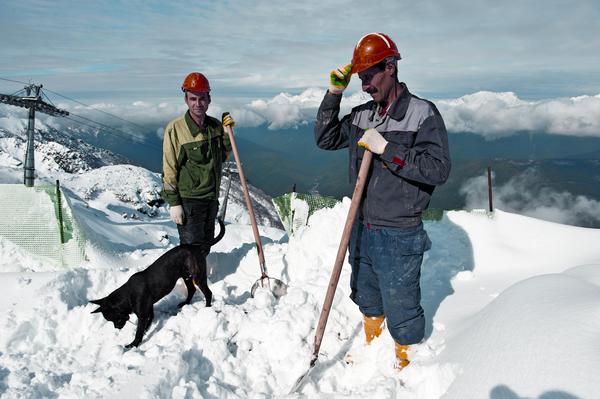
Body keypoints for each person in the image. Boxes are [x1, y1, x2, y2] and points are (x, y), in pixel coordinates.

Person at [314, 33, 451, 370]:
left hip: (399, 229)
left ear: (390, 67)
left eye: (369, 76)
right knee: (366, 292)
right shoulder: (362, 116)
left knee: (402, 302)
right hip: (362, 224)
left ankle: (406, 362)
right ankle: (373, 344)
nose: (364, 85)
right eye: (359, 78)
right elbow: (325, 138)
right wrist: (334, 94)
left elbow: (438, 169)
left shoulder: (422, 114)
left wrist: (389, 151)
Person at [161, 72, 234, 256]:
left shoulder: (215, 126)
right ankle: (190, 284)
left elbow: (222, 158)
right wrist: (174, 203)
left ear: (209, 99)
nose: (198, 103)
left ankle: (200, 278)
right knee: (191, 252)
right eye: (193, 98)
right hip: (189, 202)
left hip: (210, 198)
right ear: (186, 100)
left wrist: (227, 134)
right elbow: (169, 168)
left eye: (202, 98)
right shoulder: (175, 129)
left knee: (205, 246)